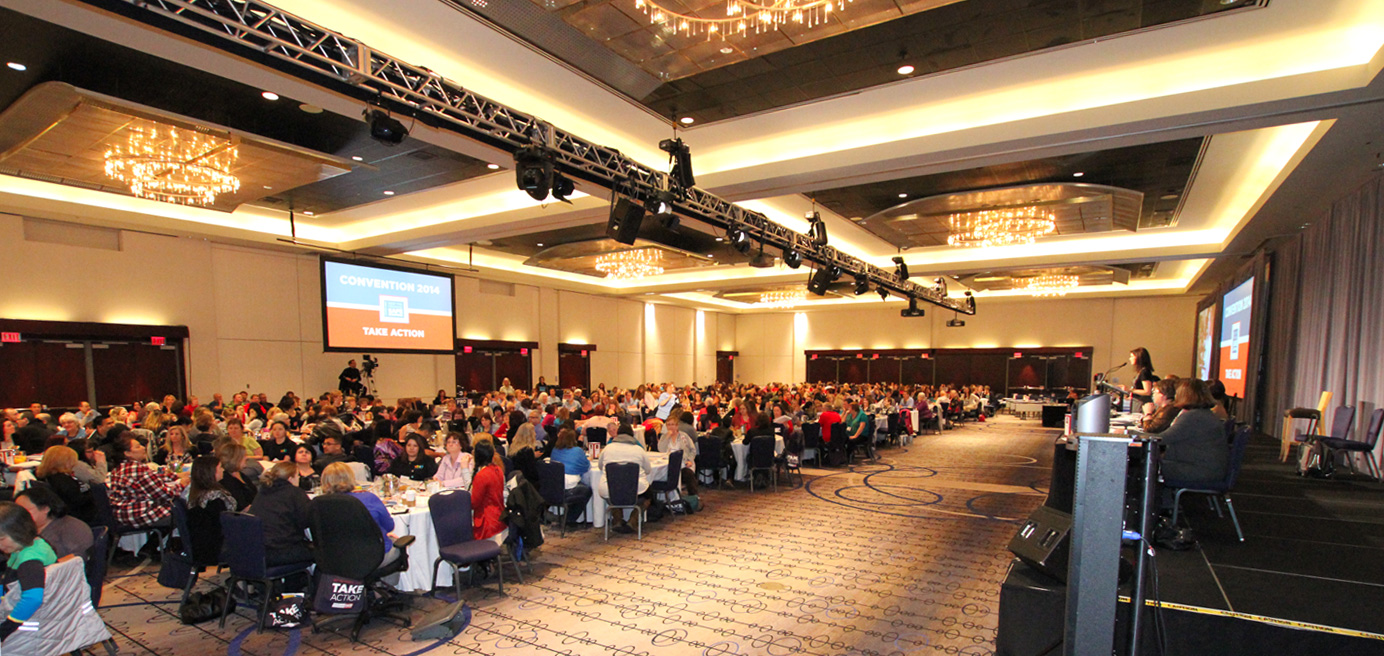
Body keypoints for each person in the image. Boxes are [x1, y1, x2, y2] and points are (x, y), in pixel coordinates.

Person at [320, 462, 400, 568]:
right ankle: (387, 584)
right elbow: (389, 526)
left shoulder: (318, 503)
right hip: (371, 556)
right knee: (396, 543)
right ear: (351, 478)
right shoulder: (368, 498)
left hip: (334, 557)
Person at [0, 502, 57, 642]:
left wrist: (6, 628)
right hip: (44, 616)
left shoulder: (29, 561)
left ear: (19, 531)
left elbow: (33, 598)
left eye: (1, 539)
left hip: (28, 627)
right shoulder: (37, 544)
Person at [108, 433, 186, 529]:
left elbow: (155, 478)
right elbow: (164, 494)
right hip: (139, 514)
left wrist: (175, 476)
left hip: (125, 514)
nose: (143, 448)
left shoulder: (119, 469)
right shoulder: (137, 469)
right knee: (185, 511)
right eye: (138, 447)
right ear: (127, 453)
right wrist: (182, 484)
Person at [1159, 379, 1229, 486]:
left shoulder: (1193, 417)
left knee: (1146, 465)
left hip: (1199, 470)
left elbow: (1162, 438)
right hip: (1209, 467)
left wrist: (1135, 436)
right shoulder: (1204, 414)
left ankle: (1157, 501)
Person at [250, 461, 313, 566]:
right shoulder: (295, 493)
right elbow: (307, 520)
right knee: (321, 552)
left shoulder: (262, 491)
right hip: (280, 549)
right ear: (290, 478)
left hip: (257, 549)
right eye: (297, 476)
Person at [597, 423, 651, 534]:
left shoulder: (607, 449)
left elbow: (600, 466)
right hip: (635, 489)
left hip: (609, 489)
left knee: (615, 491)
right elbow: (648, 470)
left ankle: (617, 520)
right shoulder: (638, 450)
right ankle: (633, 521)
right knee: (649, 495)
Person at [15, 484, 93, 560]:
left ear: (45, 508)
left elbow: (79, 557)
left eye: (25, 511)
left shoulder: (72, 527)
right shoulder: (24, 529)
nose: (20, 515)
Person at [183, 455, 236, 566]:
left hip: (202, 547)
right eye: (220, 467)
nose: (223, 470)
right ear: (211, 472)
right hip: (215, 548)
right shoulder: (215, 499)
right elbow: (223, 526)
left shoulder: (196, 494)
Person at [33, 446, 96, 525]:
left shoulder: (47, 477)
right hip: (80, 516)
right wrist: (94, 493)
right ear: (65, 462)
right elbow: (78, 500)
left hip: (65, 514)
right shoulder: (62, 480)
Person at [549, 428, 593, 523]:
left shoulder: (555, 450)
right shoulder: (577, 451)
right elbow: (585, 467)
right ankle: (570, 518)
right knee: (588, 490)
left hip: (555, 485)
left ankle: (566, 515)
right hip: (569, 486)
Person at [469, 441, 508, 545]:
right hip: (500, 516)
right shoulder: (498, 469)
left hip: (487, 522)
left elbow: (474, 503)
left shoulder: (482, 476)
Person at [216, 442, 258, 511]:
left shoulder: (240, 474)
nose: (246, 458)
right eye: (244, 456)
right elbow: (241, 507)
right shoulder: (226, 480)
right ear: (236, 459)